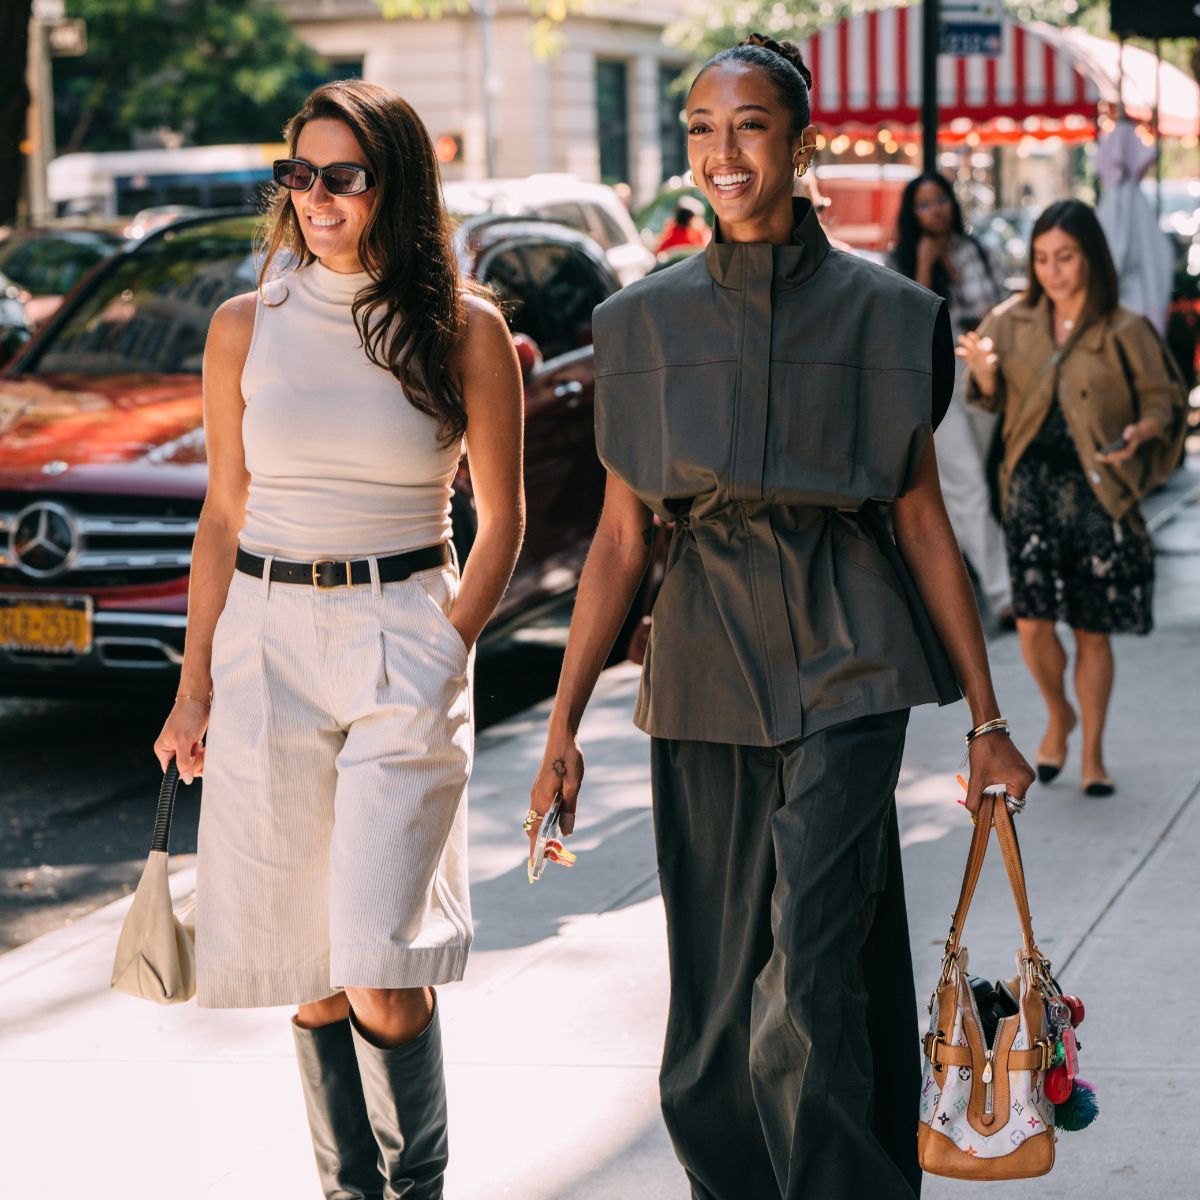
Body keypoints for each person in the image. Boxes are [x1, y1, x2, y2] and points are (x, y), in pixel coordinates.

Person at [527, 33, 1033, 1200]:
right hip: (701, 663)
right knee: (715, 997)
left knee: (807, 968)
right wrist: (560, 728)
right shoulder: (642, 325)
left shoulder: (890, 315)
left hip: (852, 652)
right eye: (703, 129)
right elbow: (618, 542)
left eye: (750, 126)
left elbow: (921, 527)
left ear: (802, 144)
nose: (723, 151)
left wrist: (986, 720)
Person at [153, 80, 524, 1199]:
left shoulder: (466, 327)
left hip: (399, 635)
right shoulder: (243, 325)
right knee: (304, 974)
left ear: (394, 186)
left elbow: (502, 521)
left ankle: (416, 1191)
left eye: (344, 177)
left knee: (378, 964)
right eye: (298, 175)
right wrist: (192, 688)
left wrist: (443, 648)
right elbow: (223, 515)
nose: (316, 198)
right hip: (266, 643)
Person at [959, 199, 1186, 797]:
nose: (1053, 270)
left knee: (1091, 630)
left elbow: (1164, 398)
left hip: (1098, 493)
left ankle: (1092, 751)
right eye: (1042, 258)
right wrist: (982, 376)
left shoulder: (1124, 329)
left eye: (1065, 257)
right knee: (1033, 625)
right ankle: (1059, 716)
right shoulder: (1010, 321)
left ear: (1090, 259)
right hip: (1031, 491)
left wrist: (1144, 430)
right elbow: (990, 400)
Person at [891, 172, 1013, 626]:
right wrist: (924, 265)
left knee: (969, 483)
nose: (935, 210)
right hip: (934, 378)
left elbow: (999, 315)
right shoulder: (900, 260)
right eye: (923, 204)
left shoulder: (977, 250)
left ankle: (951, 585)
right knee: (968, 486)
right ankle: (1004, 595)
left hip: (981, 373)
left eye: (940, 199)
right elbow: (910, 327)